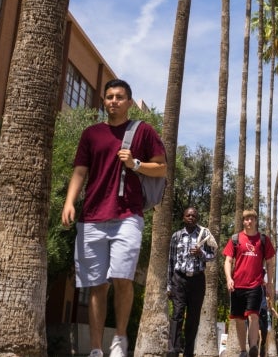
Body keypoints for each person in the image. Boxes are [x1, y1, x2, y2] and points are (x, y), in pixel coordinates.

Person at [63, 79, 168, 357]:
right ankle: (96, 349)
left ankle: (120, 339)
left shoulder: (143, 132)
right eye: (109, 97)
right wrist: (69, 202)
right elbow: (79, 171)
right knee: (96, 284)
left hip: (127, 216)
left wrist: (135, 164)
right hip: (91, 217)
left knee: (123, 278)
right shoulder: (91, 134)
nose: (113, 101)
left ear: (129, 102)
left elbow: (161, 169)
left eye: (119, 97)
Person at [223, 209, 276, 357]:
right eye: (246, 219)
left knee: (254, 315)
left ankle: (253, 346)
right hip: (237, 285)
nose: (249, 221)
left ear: (255, 221)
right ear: (243, 221)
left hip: (256, 285)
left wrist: (270, 283)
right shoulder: (235, 239)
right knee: (239, 319)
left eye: (252, 218)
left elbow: (270, 262)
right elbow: (227, 260)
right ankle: (243, 350)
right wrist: (229, 278)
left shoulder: (263, 240)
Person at [168, 206, 217, 357]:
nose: (191, 217)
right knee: (177, 314)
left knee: (193, 318)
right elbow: (171, 261)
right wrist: (169, 285)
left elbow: (213, 255)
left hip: (197, 281)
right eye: (188, 215)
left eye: (194, 216)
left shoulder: (204, 235)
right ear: (184, 217)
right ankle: (173, 351)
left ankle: (188, 352)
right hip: (179, 279)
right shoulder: (176, 236)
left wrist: (201, 253)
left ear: (197, 218)